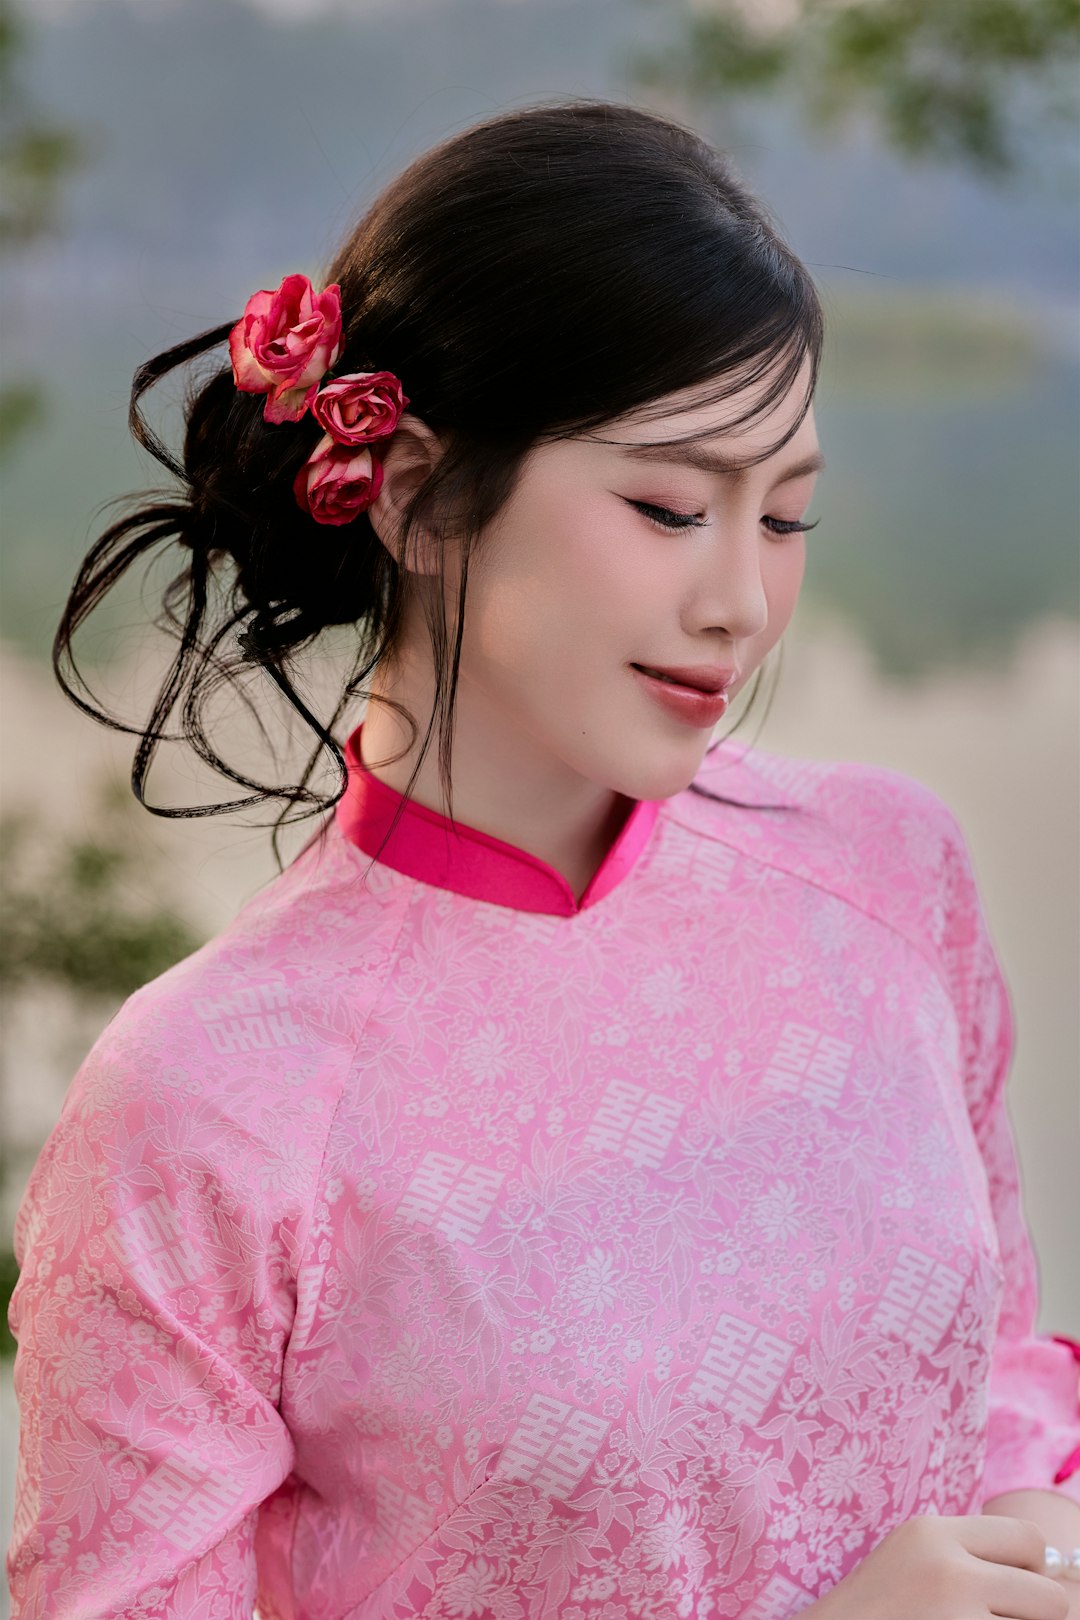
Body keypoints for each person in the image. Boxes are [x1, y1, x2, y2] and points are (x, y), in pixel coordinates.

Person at [6, 98, 1079, 1620]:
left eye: (784, 516)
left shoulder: (889, 876)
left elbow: (1005, 1384)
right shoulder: (208, 1107)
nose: (743, 603)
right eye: (665, 506)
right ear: (417, 494)